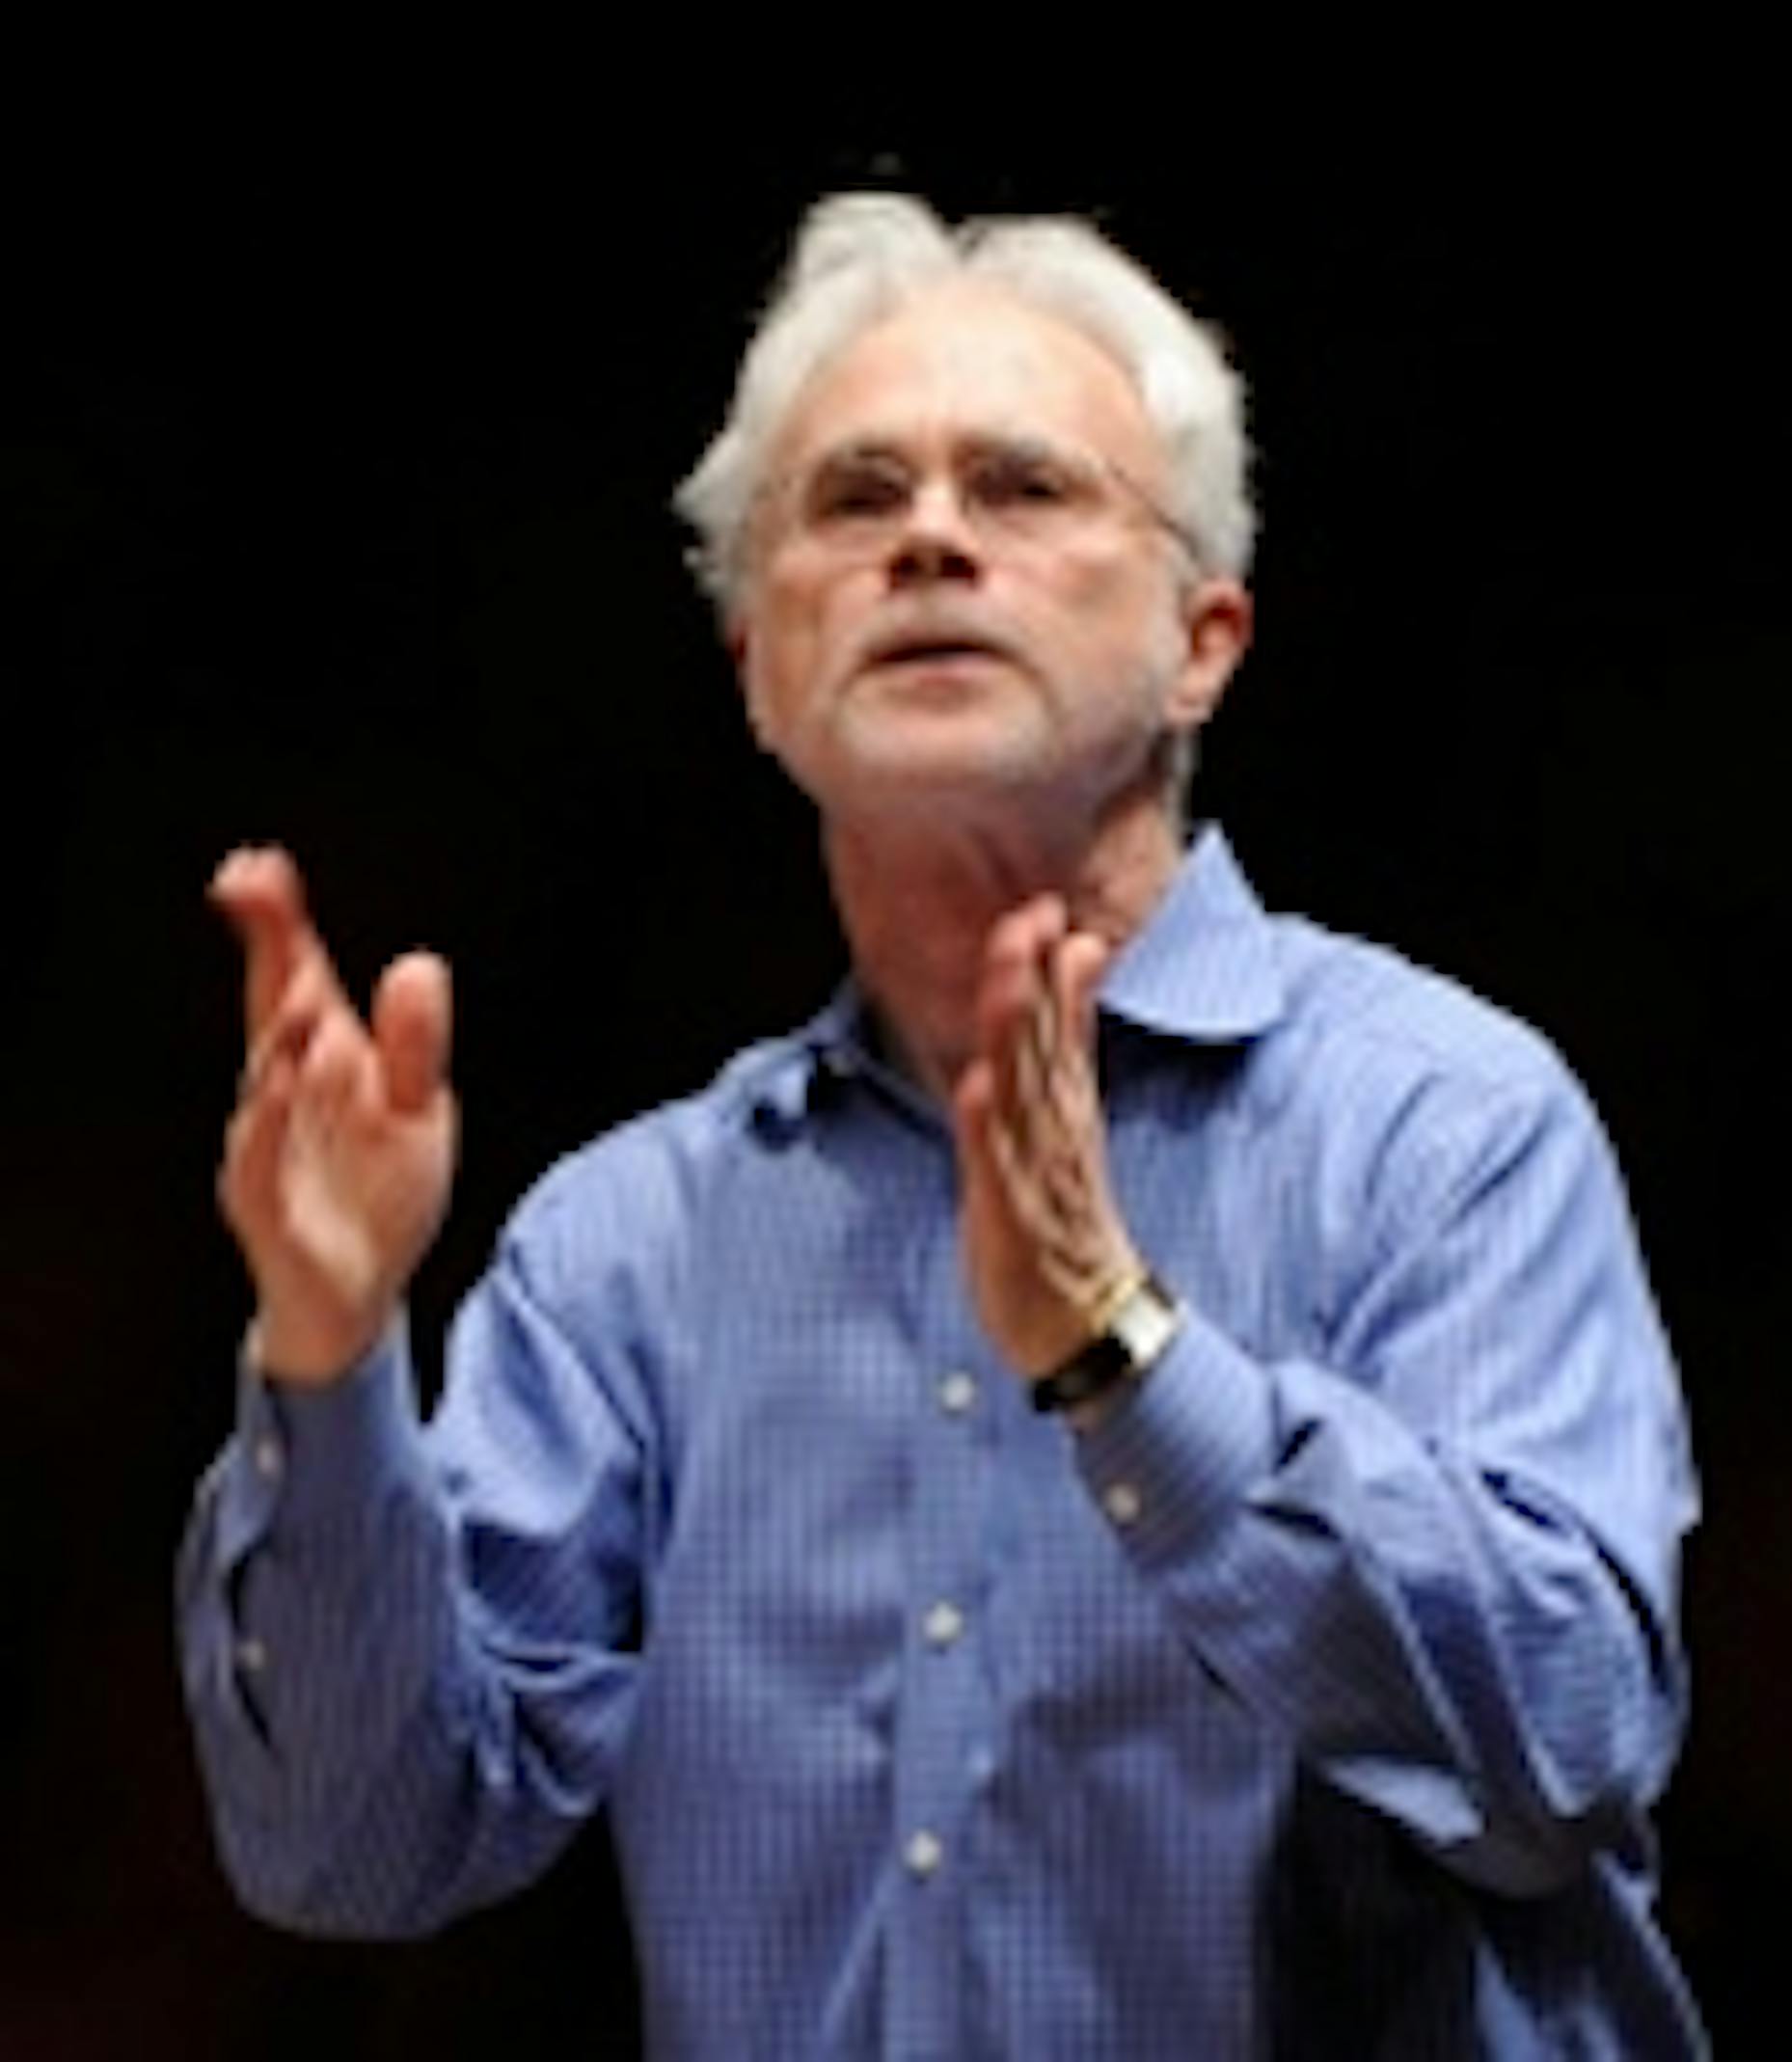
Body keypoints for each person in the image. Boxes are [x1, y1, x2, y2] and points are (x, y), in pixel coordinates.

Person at [178, 192, 1707, 2057]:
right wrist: (326, 1352)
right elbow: (353, 1848)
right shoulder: (626, 1246)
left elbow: (1568, 1748)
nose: (927, 537)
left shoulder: (1445, 1125)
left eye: (1023, 486)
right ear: (756, 667)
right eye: (852, 498)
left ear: (1203, 640)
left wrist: (1128, 1360)